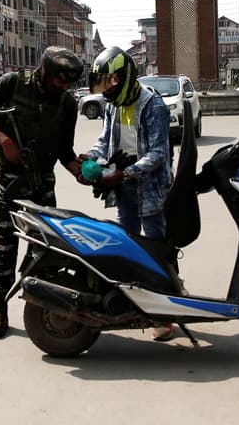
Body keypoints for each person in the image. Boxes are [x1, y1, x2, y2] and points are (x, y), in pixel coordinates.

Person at [0, 45, 86, 340]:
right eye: (60, 80)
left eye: (69, 83)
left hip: (42, 184)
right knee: (4, 245)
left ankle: (40, 303)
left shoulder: (67, 105)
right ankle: (0, 308)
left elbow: (65, 151)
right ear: (45, 71)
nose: (64, 87)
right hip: (9, 183)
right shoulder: (11, 84)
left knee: (46, 248)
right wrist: (4, 140)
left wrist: (79, 171)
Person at [83, 47, 174, 340]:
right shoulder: (112, 105)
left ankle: (166, 310)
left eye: (110, 82)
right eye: (103, 83)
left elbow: (159, 154)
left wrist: (123, 173)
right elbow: (105, 140)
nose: (107, 89)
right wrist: (91, 158)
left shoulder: (153, 105)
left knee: (156, 248)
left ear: (125, 77)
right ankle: (138, 304)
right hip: (124, 188)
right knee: (129, 246)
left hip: (152, 189)